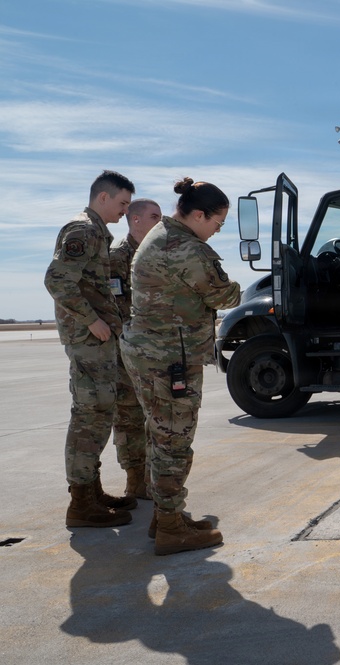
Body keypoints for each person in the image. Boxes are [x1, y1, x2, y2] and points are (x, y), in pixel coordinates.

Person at [120, 177, 241, 556]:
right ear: (199, 215)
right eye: (217, 224)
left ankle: (165, 515)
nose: (217, 232)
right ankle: (172, 528)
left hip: (153, 352)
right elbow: (224, 292)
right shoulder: (185, 247)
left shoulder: (159, 235)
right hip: (169, 357)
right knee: (174, 442)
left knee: (162, 437)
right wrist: (236, 287)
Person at [45, 170, 136, 528]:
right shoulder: (83, 229)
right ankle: (81, 502)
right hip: (87, 339)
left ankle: (91, 490)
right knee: (89, 416)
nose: (125, 211)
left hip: (96, 340)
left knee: (99, 413)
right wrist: (90, 320)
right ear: (103, 198)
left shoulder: (96, 230)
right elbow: (56, 279)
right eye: (123, 203)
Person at [108, 198, 162, 500]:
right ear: (135, 219)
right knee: (128, 418)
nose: (160, 222)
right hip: (126, 352)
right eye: (155, 216)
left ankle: (154, 478)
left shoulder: (159, 255)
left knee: (158, 418)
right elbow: (112, 306)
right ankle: (134, 479)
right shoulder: (117, 257)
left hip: (157, 351)